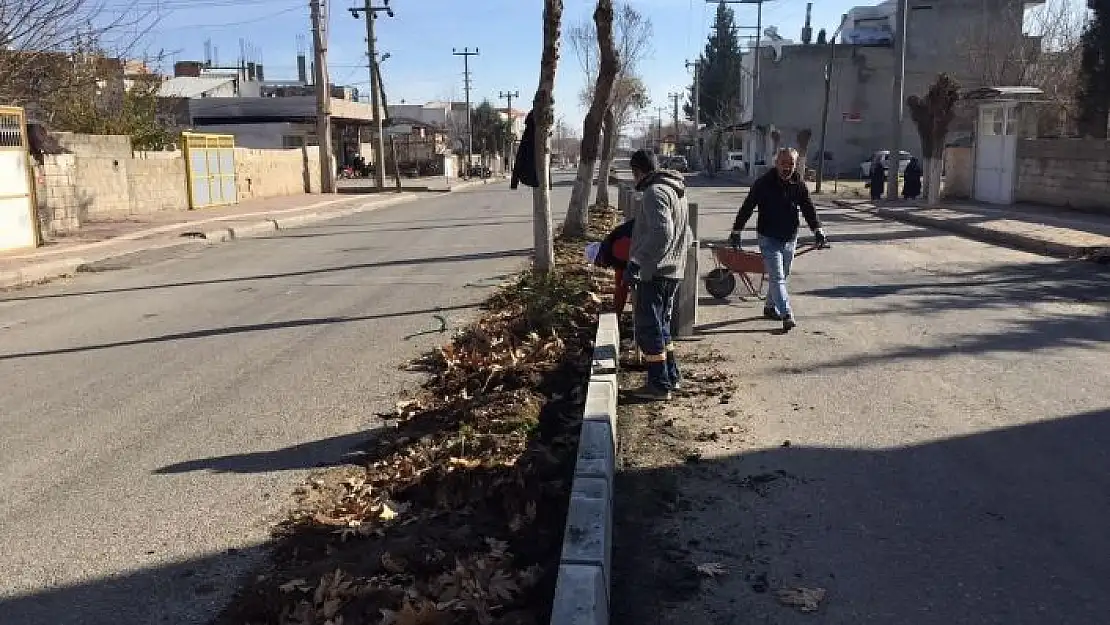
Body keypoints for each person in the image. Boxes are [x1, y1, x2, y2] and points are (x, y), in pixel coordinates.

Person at [730, 147, 827, 332]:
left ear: (795, 165)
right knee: (777, 276)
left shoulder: (798, 184)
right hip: (768, 237)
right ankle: (786, 313)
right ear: (776, 163)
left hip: (790, 237)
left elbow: (808, 209)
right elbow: (747, 207)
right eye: (784, 163)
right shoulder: (763, 183)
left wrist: (818, 230)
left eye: (791, 164)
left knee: (783, 274)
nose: (787, 168)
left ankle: (769, 307)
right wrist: (736, 231)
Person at [626, 150, 692, 400]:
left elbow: (662, 233)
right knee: (662, 327)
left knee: (649, 327)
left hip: (655, 273)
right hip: (673, 271)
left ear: (638, 171)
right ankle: (670, 376)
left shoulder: (655, 193)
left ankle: (658, 384)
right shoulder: (677, 191)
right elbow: (686, 234)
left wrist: (636, 261)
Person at [594, 219, 635, 314]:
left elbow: (622, 286)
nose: (603, 267)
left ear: (600, 256)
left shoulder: (616, 248)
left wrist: (617, 312)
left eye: (599, 263)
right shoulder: (611, 247)